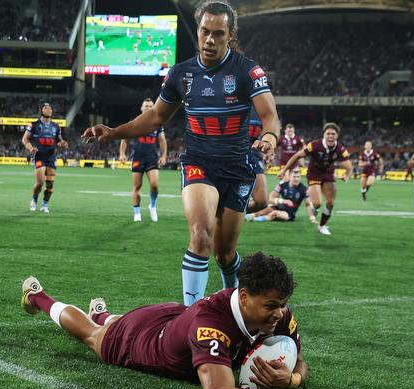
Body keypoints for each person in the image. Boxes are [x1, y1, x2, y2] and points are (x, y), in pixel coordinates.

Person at [83, 1, 281, 305]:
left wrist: (269, 137)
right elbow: (155, 117)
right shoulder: (180, 74)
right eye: (205, 32)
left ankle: (233, 299)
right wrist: (114, 131)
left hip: (237, 167)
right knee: (201, 236)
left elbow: (269, 115)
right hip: (199, 164)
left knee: (225, 253)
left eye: (218, 33)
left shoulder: (247, 71)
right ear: (198, 30)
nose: (210, 40)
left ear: (231, 35)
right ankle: (192, 319)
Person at [20, 252, 355, 389]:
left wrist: (293, 380)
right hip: (143, 341)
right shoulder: (213, 324)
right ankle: (38, 295)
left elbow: (302, 361)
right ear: (243, 297)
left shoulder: (276, 313)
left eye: (282, 305)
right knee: (93, 336)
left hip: (177, 318)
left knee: (114, 322)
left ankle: (104, 314)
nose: (279, 313)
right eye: (271, 305)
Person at [278, 123, 352, 236]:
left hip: (328, 173)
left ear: (337, 136)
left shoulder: (340, 148)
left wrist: (347, 174)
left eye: (333, 134)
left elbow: (349, 166)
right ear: (324, 135)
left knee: (331, 202)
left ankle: (322, 226)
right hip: (314, 174)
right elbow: (297, 156)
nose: (330, 136)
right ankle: (314, 207)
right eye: (328, 133)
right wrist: (284, 170)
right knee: (317, 204)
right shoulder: (315, 145)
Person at [119, 98, 168, 222]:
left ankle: (152, 205)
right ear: (141, 108)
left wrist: (163, 156)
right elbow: (124, 139)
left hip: (152, 158)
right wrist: (122, 154)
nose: (148, 108)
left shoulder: (157, 123)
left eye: (151, 106)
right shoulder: (134, 122)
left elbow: (162, 140)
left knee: (155, 185)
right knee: (137, 186)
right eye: (146, 106)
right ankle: (137, 212)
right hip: (137, 158)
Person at [22, 103, 68, 213]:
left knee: (50, 184)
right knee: (40, 182)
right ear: (41, 110)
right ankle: (34, 199)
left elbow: (59, 140)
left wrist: (63, 144)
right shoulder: (34, 125)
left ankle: (45, 205)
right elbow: (25, 139)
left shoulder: (56, 126)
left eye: (50, 108)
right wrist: (30, 148)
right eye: (46, 108)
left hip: (51, 157)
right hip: (39, 156)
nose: (49, 110)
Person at [245, 168, 315, 223]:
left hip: (288, 214)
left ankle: (255, 220)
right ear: (290, 176)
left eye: (298, 177)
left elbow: (308, 204)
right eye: (294, 176)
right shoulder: (283, 185)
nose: (296, 179)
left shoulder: (303, 189)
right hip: (279, 207)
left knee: (274, 213)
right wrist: (283, 201)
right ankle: (247, 216)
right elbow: (270, 197)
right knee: (265, 209)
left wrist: (312, 218)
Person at [245, 107, 269, 214]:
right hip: (230, 153)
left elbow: (269, 130)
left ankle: (232, 212)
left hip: (253, 154)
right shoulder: (229, 99)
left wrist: (269, 146)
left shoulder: (261, 105)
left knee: (262, 201)